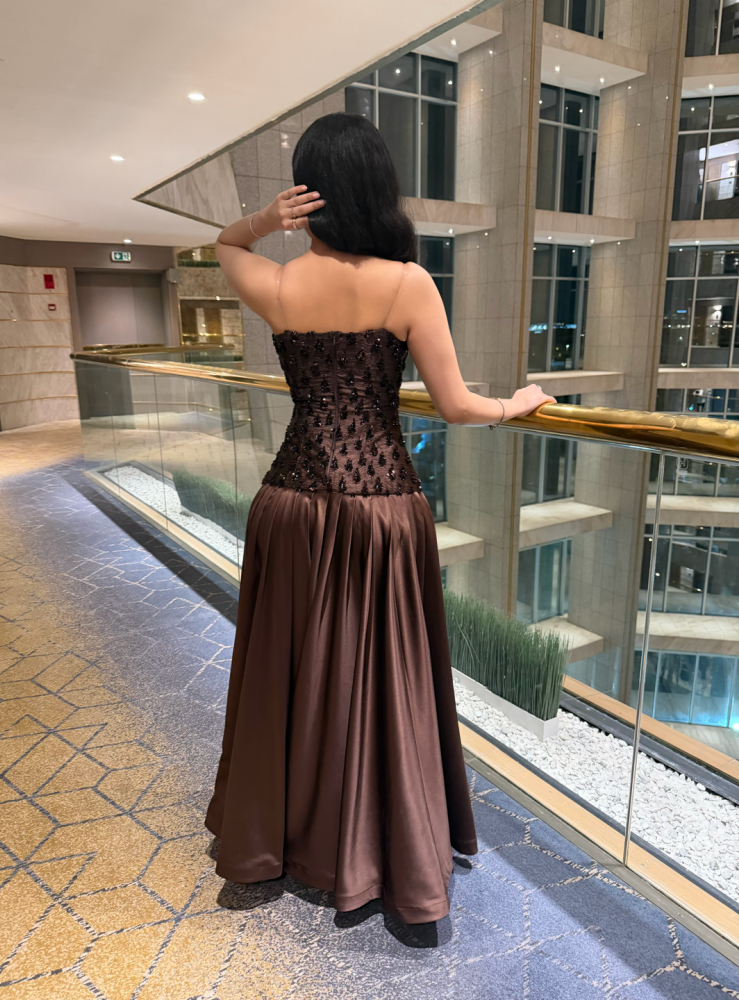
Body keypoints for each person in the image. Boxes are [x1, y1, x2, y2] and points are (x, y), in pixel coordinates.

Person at [205, 112, 555, 924]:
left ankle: (278, 838)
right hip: (380, 509)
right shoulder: (407, 284)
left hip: (290, 503)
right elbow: (456, 405)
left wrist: (262, 221)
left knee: (289, 673)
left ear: (310, 196)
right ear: (378, 190)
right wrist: (518, 403)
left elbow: (225, 246)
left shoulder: (281, 284)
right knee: (378, 681)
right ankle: (375, 849)